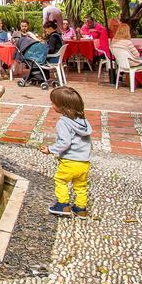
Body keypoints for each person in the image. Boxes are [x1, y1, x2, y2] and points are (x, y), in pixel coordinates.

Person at [40, 87, 92, 219]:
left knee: (61, 181)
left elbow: (65, 143)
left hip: (70, 161)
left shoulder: (63, 123)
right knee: (80, 186)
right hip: (84, 162)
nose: (51, 105)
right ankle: (81, 209)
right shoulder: (83, 122)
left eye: (53, 103)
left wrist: (50, 150)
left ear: (62, 107)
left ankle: (62, 205)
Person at [110, 23, 142, 88]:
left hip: (121, 63)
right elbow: (137, 55)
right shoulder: (127, 42)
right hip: (131, 63)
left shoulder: (113, 41)